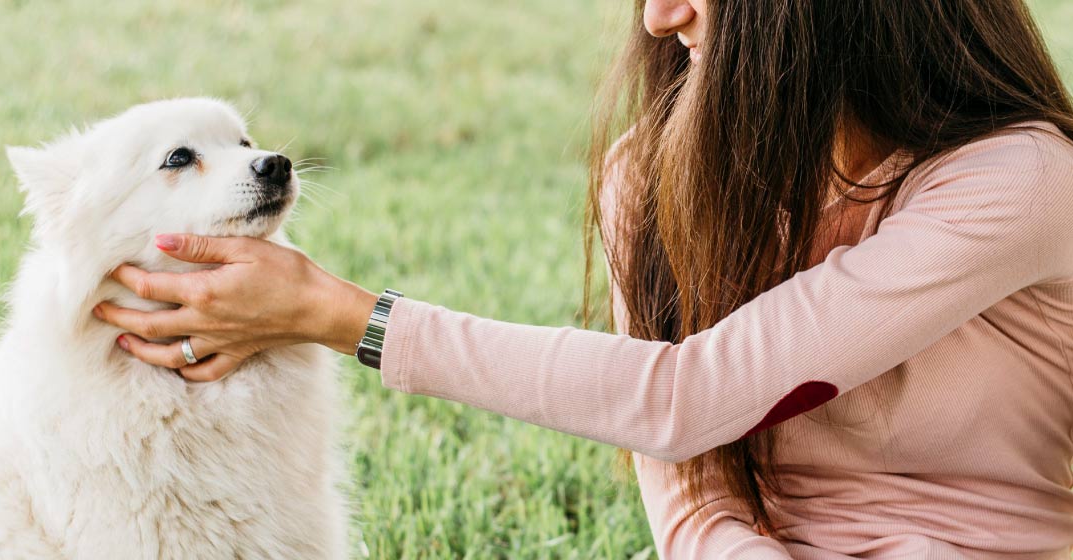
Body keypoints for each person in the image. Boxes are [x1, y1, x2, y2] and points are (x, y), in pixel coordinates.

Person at [91, 0, 1073, 557]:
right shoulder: (653, 174)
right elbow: (690, 482)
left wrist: (340, 314)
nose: (659, 14)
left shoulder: (1017, 181)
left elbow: (688, 397)